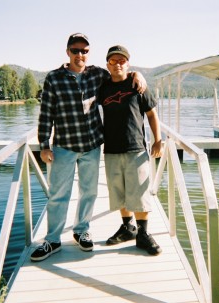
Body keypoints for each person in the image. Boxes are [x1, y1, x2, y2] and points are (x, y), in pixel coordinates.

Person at [31, 34, 147, 262]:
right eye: (75, 50)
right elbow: (46, 113)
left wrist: (137, 74)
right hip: (64, 146)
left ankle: (81, 230)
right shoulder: (54, 78)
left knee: (89, 192)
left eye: (84, 51)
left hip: (92, 145)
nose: (80, 55)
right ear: (67, 52)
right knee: (58, 195)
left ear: (89, 53)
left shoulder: (97, 74)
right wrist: (44, 145)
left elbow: (120, 74)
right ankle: (53, 239)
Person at [97, 45, 163, 255]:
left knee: (139, 192)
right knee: (119, 191)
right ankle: (128, 227)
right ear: (107, 64)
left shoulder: (137, 85)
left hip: (136, 148)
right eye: (113, 61)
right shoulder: (103, 87)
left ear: (128, 63)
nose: (118, 64)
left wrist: (157, 140)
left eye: (122, 60)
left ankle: (143, 233)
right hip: (111, 149)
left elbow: (152, 115)